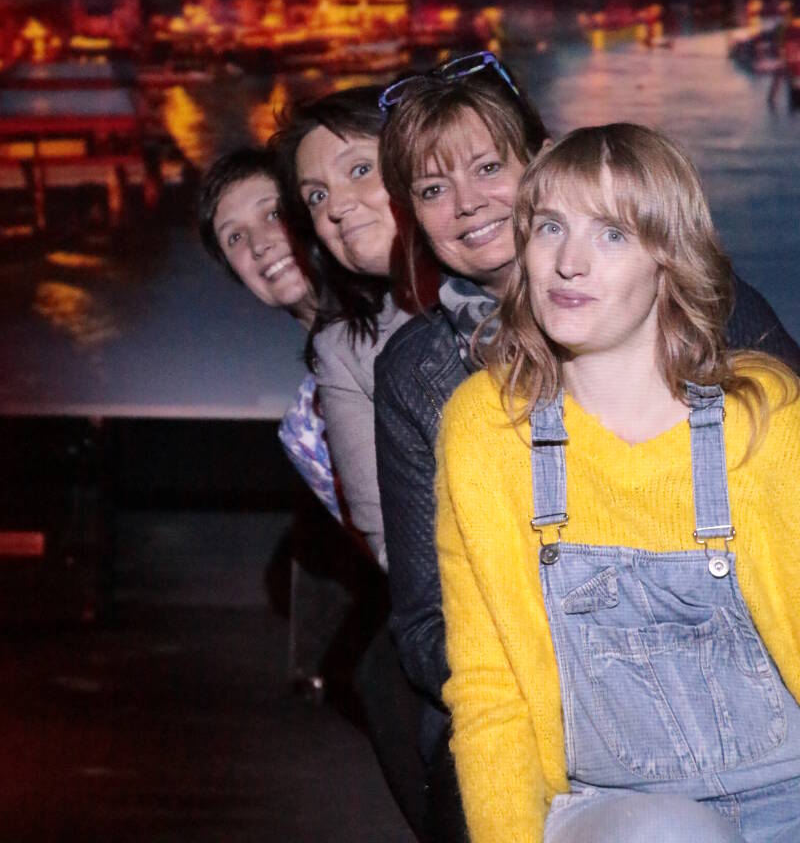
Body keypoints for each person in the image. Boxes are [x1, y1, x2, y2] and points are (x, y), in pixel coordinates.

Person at [374, 53, 800, 833]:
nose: (570, 262)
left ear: (669, 260)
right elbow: (477, 670)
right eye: (551, 229)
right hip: (605, 788)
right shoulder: (467, 415)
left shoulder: (756, 399)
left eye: (611, 233)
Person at [275, 86, 430, 840]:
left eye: (358, 170)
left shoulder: (548, 282)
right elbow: (393, 539)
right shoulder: (348, 352)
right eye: (315, 195)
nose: (336, 205)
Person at [198, 144, 342, 521]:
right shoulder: (306, 431)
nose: (259, 244)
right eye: (235, 237)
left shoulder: (425, 317)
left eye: (273, 213)